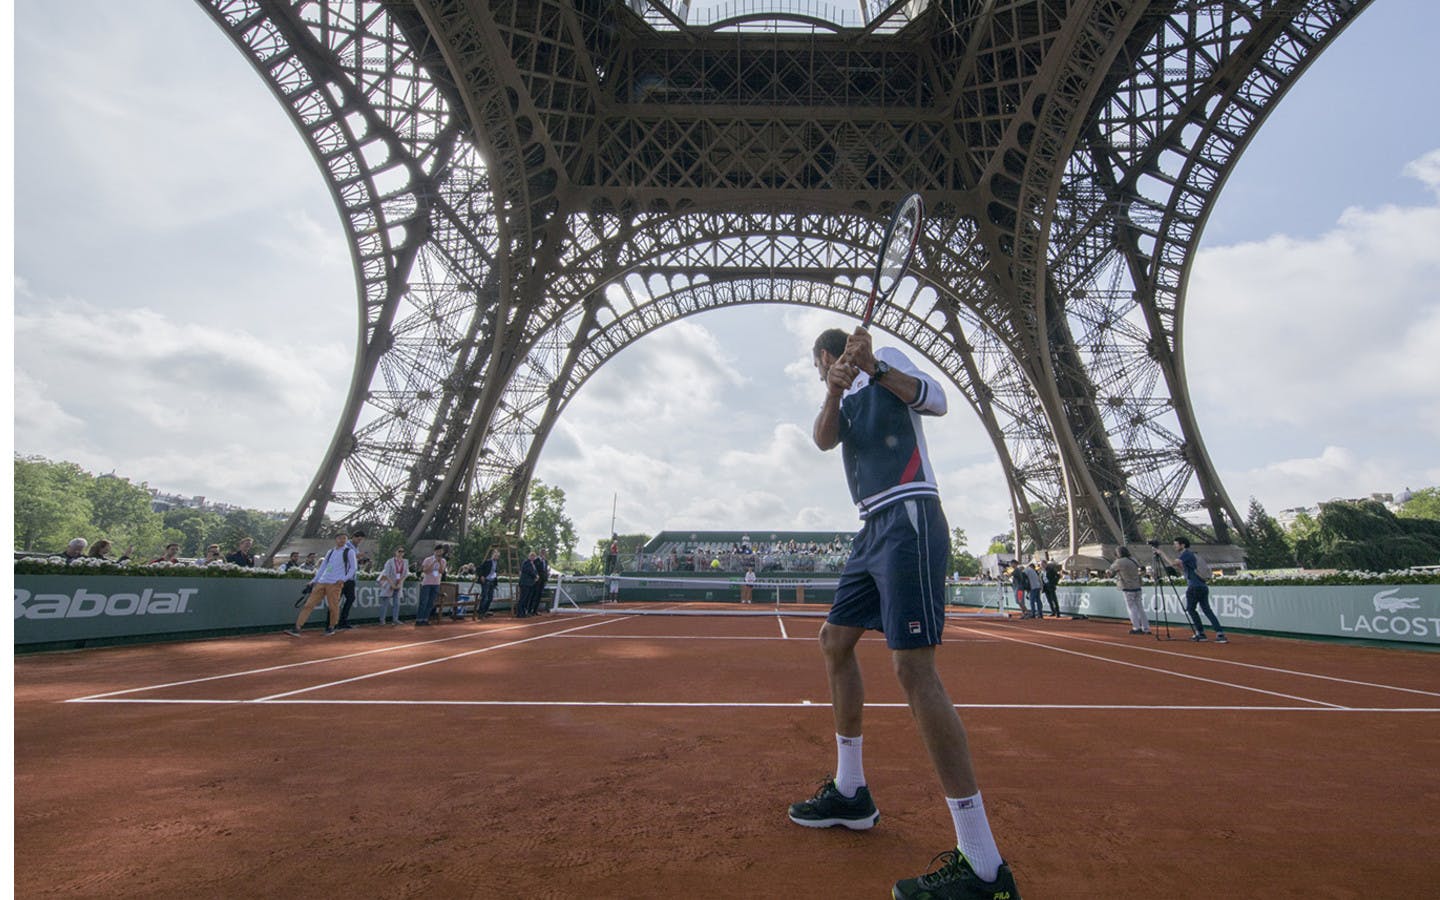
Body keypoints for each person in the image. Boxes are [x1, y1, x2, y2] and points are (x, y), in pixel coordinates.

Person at [788, 326, 1019, 899]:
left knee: (913, 669)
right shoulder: (839, 389)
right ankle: (851, 791)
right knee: (834, 641)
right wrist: (835, 390)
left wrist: (872, 369)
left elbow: (935, 399)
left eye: (822, 369)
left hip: (910, 513)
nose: (824, 374)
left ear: (825, 354)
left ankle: (985, 868)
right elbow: (822, 440)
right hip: (872, 529)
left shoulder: (885, 360)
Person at [1160, 537, 1227, 643]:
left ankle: (1200, 633)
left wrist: (1161, 553)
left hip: (1194, 586)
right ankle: (1219, 633)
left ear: (1182, 545)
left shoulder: (1186, 554)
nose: (1175, 546)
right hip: (1202, 586)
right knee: (1206, 610)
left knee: (1191, 609)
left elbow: (1173, 563)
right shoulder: (1191, 555)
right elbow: (1184, 569)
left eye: (1176, 544)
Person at [286, 532, 352, 636]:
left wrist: (343, 579)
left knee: (333, 607)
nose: (342, 540)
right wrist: (314, 580)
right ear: (336, 539)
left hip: (335, 583)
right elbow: (323, 567)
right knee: (308, 605)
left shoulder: (349, 552)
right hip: (322, 582)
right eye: (340, 538)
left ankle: (331, 627)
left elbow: (353, 568)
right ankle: (297, 628)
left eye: (344, 538)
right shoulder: (330, 552)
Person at [1106, 547, 1149, 634]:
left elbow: (1110, 573)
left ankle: (1136, 627)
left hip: (1127, 587)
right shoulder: (1133, 559)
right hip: (1137, 585)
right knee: (1140, 608)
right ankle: (1146, 628)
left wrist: (1108, 571)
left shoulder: (1119, 562)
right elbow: (1142, 569)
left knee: (1131, 608)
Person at [336, 530, 366, 629]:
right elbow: (345, 558)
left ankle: (342, 621)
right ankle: (333, 622)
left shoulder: (356, 548)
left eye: (361, 540)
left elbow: (354, 562)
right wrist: (357, 556)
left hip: (351, 577)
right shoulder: (347, 546)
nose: (359, 541)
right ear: (353, 537)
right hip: (342, 576)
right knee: (336, 599)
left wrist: (361, 560)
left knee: (350, 598)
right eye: (358, 539)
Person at [416, 544, 447, 626]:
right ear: (435, 551)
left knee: (431, 602)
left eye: (441, 551)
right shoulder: (428, 559)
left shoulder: (443, 561)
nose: (439, 553)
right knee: (424, 602)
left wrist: (439, 563)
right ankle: (419, 619)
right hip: (427, 583)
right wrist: (434, 562)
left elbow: (441, 572)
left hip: (436, 583)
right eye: (438, 551)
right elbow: (425, 570)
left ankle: (425, 619)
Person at [377, 546, 409, 626]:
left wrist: (399, 583)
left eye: (402, 551)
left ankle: (395, 619)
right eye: (399, 551)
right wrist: (392, 584)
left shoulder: (405, 562)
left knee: (397, 603)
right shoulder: (390, 561)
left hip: (398, 584)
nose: (400, 553)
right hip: (389, 583)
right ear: (395, 552)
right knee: (385, 602)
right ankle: (382, 620)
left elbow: (405, 574)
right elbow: (386, 574)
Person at [477, 549, 501, 617]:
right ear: (492, 555)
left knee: (490, 597)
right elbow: (479, 568)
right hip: (486, 580)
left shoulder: (497, 563)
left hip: (492, 581)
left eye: (498, 556)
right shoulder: (488, 561)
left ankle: (485, 611)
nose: (496, 557)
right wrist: (481, 576)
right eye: (495, 555)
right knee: (485, 596)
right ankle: (480, 612)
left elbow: (495, 572)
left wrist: (495, 582)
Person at [516, 551, 539, 618]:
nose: (533, 557)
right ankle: (519, 613)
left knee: (527, 598)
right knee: (523, 598)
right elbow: (528, 571)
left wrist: (537, 576)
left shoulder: (533, 564)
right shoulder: (526, 562)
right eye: (531, 556)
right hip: (525, 583)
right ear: (529, 556)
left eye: (534, 556)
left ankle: (524, 612)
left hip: (530, 584)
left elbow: (534, 571)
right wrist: (535, 576)